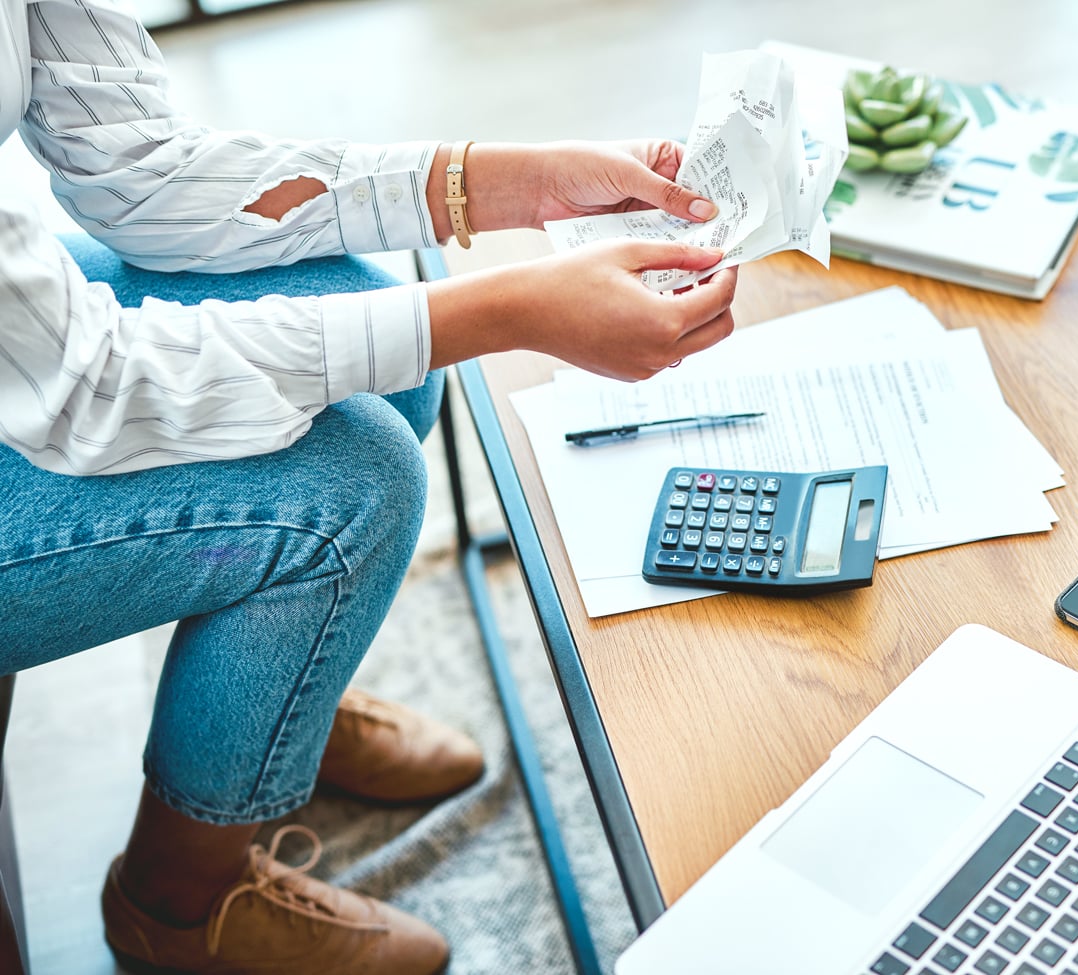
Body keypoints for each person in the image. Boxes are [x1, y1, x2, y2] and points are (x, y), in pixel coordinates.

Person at [0, 0, 739, 971]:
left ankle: (273, 701)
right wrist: (508, 307)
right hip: (43, 387)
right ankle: (177, 907)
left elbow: (146, 173)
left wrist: (517, 182)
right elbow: (87, 391)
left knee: (381, 338)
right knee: (354, 495)